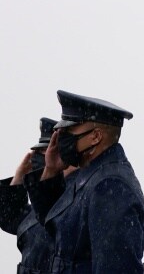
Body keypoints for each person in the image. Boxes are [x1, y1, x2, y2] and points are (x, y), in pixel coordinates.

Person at [24, 90, 144, 273]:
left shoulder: (110, 186)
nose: (59, 138)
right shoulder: (91, 177)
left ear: (96, 136)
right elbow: (52, 228)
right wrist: (51, 170)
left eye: (68, 131)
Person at [0, 117, 62, 274]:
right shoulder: (44, 203)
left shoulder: (75, 200)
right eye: (39, 154)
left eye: (48, 152)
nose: (43, 160)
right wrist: (19, 178)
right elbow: (11, 218)